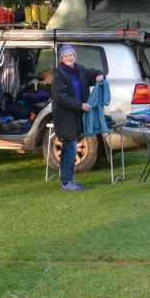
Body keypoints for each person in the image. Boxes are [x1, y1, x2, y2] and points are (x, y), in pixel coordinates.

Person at [51, 44, 104, 192]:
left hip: (76, 116)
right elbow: (62, 97)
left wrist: (100, 75)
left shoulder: (80, 70)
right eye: (66, 55)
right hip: (65, 117)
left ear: (75, 56)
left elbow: (95, 72)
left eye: (71, 54)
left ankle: (68, 181)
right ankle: (66, 183)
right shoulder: (59, 75)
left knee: (71, 148)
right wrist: (80, 105)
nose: (69, 57)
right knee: (69, 149)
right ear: (62, 58)